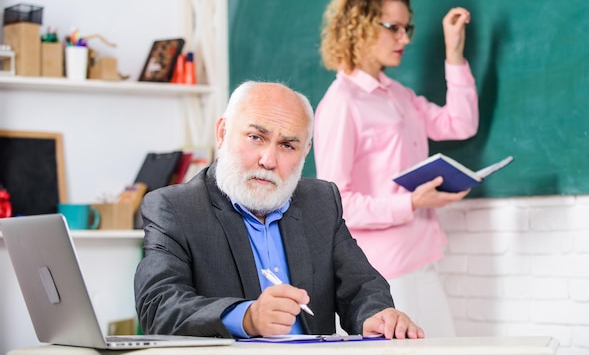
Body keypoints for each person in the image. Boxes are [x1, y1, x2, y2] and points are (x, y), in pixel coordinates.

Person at [134, 81, 424, 340]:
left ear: (305, 151)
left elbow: (361, 285)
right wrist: (247, 317)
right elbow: (158, 307)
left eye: (287, 145)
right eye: (255, 138)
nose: (268, 160)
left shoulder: (321, 201)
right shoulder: (174, 207)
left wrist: (376, 316)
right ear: (223, 132)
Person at [314, 0, 479, 337]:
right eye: (394, 27)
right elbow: (336, 204)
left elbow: (460, 124)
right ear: (359, 26)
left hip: (422, 259)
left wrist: (454, 54)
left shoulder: (398, 95)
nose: (404, 39)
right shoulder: (342, 104)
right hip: (383, 274)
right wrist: (410, 204)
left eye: (408, 28)